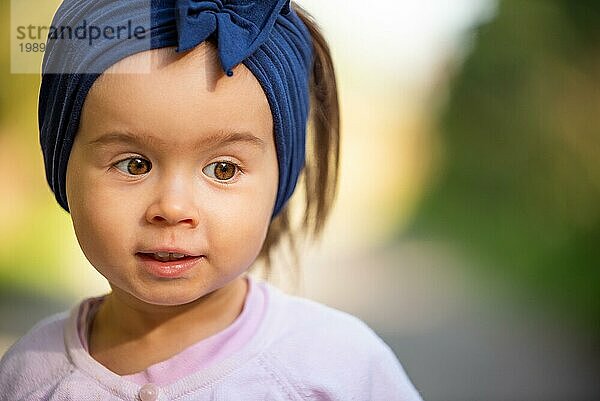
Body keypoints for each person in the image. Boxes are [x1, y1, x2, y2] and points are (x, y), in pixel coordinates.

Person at [0, 0, 422, 399]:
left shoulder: (339, 368)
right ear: (61, 168)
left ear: (281, 180)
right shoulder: (27, 377)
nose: (173, 208)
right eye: (133, 165)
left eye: (223, 169)